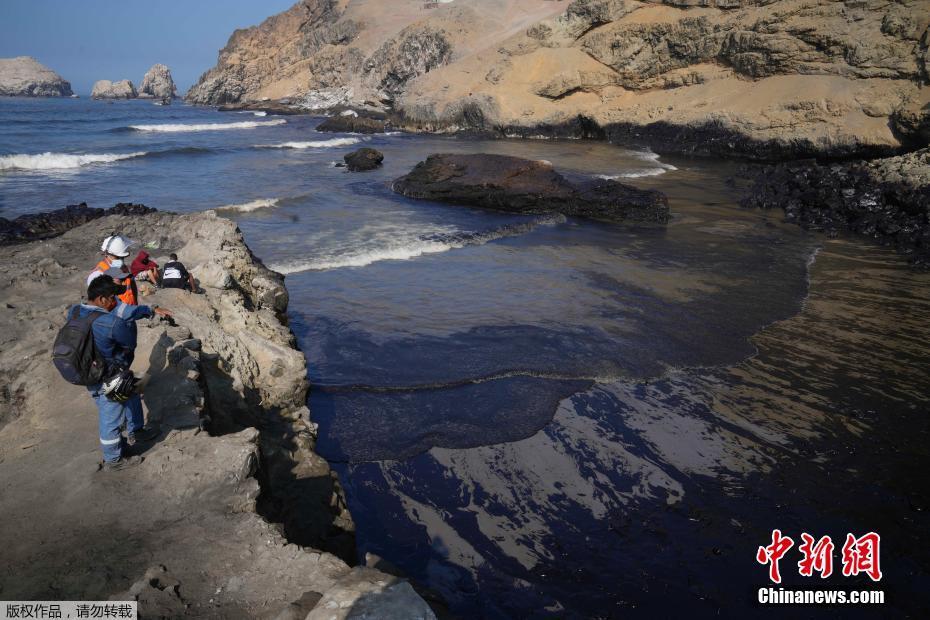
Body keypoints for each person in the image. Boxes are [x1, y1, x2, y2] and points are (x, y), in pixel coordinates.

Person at [71, 275, 172, 471]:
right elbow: (129, 343)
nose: (116, 301)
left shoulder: (76, 311)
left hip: (86, 370)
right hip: (108, 375)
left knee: (133, 390)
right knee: (111, 417)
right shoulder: (110, 322)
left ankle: (135, 431)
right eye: (112, 298)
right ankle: (114, 460)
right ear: (101, 299)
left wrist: (148, 310)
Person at [88, 234, 138, 305]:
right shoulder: (97, 275)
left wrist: (135, 303)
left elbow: (132, 285)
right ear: (106, 254)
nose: (120, 260)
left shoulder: (123, 268)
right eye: (117, 257)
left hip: (130, 308)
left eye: (122, 257)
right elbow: (99, 304)